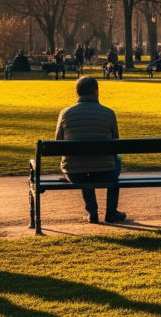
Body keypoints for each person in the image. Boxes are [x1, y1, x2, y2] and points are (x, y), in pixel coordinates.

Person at [55, 76, 125, 224]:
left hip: (75, 173)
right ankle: (111, 212)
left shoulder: (65, 113)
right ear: (96, 92)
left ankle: (92, 212)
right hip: (105, 172)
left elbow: (58, 143)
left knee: (82, 166)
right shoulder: (109, 113)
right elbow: (115, 143)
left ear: (77, 93)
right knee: (116, 161)